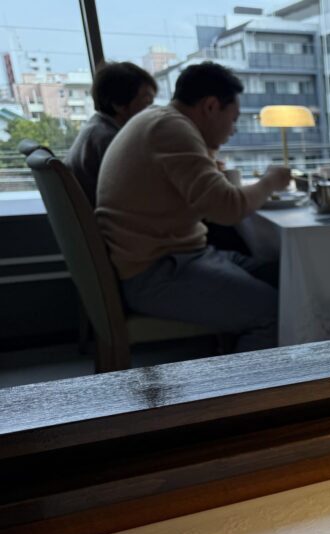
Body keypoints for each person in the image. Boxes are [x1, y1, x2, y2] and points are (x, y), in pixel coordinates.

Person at [96, 61, 291, 351]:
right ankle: (249, 395)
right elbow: (228, 209)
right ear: (210, 107)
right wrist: (270, 182)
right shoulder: (170, 128)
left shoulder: (159, 121)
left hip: (182, 257)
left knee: (285, 278)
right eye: (233, 118)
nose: (234, 130)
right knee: (277, 314)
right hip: (159, 273)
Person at [66, 61, 157, 206]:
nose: (152, 111)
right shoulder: (110, 140)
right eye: (147, 102)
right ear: (119, 105)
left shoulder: (94, 130)